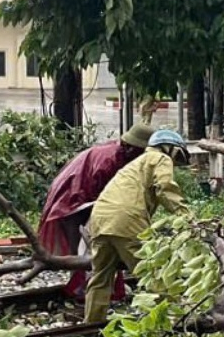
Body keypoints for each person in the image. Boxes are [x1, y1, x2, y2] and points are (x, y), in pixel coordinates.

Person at [84, 129, 190, 323]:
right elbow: (165, 188)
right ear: (170, 149)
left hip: (99, 219)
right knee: (153, 273)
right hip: (126, 218)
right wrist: (187, 218)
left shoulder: (134, 165)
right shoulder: (159, 158)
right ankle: (175, 323)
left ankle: (90, 325)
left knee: (100, 278)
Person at [37, 123, 154, 299]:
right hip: (72, 198)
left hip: (81, 194)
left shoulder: (120, 155)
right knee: (87, 248)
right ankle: (82, 289)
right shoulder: (110, 161)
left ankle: (102, 289)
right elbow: (106, 198)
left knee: (97, 247)